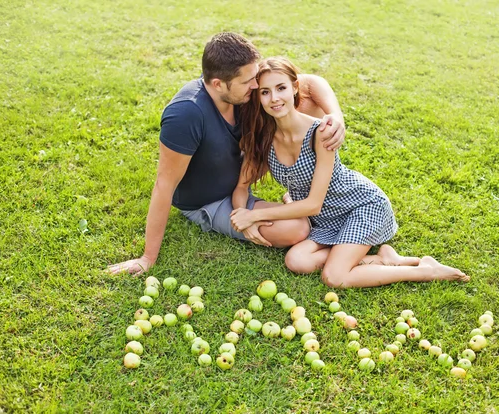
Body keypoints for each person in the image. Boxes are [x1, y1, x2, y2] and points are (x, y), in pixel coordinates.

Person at [107, 33, 346, 276]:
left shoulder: (242, 91)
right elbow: (164, 186)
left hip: (239, 181)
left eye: (254, 79)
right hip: (211, 201)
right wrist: (148, 257)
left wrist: (335, 117)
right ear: (219, 84)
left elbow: (310, 83)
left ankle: (304, 193)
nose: (255, 87)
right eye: (248, 82)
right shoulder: (185, 115)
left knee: (304, 103)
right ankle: (333, 246)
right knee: (295, 229)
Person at [230, 57, 470, 288]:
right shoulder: (263, 138)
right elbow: (242, 187)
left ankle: (425, 270)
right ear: (258, 97)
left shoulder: (320, 132)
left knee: (335, 277)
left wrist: (254, 217)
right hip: (325, 219)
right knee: (296, 261)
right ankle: (383, 259)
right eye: (265, 92)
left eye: (281, 88)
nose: (274, 98)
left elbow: (313, 204)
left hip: (361, 206)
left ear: (294, 88)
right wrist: (243, 218)